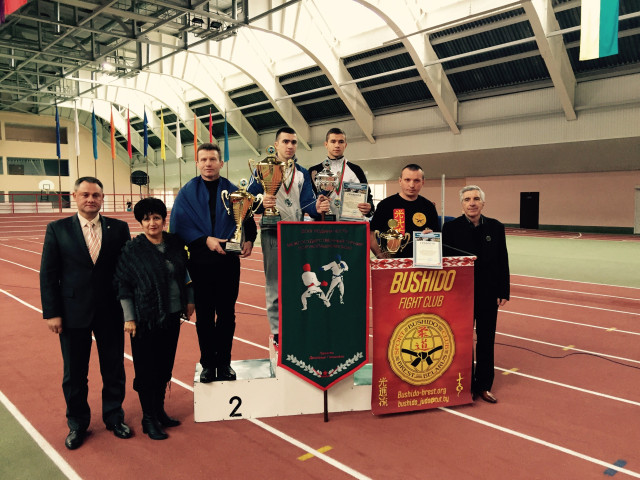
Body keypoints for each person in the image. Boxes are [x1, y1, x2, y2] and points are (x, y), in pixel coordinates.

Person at [40, 176, 132, 450]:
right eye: (85, 195)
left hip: (110, 311)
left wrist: (128, 310)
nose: (91, 199)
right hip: (72, 312)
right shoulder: (57, 229)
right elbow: (48, 274)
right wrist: (52, 313)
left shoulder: (119, 228)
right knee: (75, 373)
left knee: (113, 369)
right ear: (75, 197)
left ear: (102, 198)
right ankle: (77, 423)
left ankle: (114, 417)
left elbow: (126, 271)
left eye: (96, 195)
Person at [170, 143, 256, 383]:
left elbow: (248, 220)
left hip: (228, 263)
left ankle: (225, 363)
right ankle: (208, 364)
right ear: (197, 163)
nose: (208, 163)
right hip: (200, 263)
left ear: (221, 163)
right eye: (204, 159)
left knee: (227, 315)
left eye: (212, 159)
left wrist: (250, 239)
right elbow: (179, 226)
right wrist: (204, 240)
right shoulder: (186, 193)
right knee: (205, 317)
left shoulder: (235, 191)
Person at [114, 198, 195, 440]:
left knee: (164, 366)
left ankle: (159, 411)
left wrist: (190, 301)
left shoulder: (174, 244)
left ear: (163, 220)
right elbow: (123, 285)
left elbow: (186, 274)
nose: (152, 223)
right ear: (140, 222)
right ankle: (148, 417)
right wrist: (129, 318)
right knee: (146, 369)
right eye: (147, 219)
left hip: (172, 316)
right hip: (144, 319)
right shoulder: (132, 250)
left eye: (156, 217)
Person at [248, 127, 329, 346]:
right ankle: (277, 331)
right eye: (285, 141)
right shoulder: (262, 169)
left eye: (293, 142)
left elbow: (307, 203)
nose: (290, 146)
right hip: (272, 231)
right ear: (276, 145)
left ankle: (295, 323)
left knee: (297, 281)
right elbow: (250, 200)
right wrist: (260, 202)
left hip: (296, 232)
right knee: (274, 283)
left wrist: (317, 208)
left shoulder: (301, 172)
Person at [442, 185, 510, 404]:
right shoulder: (450, 228)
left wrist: (503, 290)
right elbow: (442, 259)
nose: (472, 203)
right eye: (467, 199)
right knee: (462, 340)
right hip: (461, 294)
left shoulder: (496, 227)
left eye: (476, 199)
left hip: (488, 294)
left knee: (486, 340)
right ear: (461, 204)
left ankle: (484, 386)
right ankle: (465, 385)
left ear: (483, 203)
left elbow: (502, 259)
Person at [370, 164, 440, 258]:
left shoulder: (429, 206)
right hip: (393, 262)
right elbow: (370, 234)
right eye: (407, 180)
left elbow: (436, 236)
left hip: (421, 261)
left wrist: (431, 238)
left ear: (423, 182)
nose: (411, 185)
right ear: (400, 181)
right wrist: (381, 257)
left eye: (416, 180)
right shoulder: (385, 205)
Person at [308, 128, 374, 219]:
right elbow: (308, 202)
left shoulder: (356, 170)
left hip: (351, 224)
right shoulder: (314, 171)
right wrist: (316, 208)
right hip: (323, 224)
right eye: (333, 141)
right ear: (326, 144)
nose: (337, 145)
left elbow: (368, 198)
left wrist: (369, 207)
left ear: (345, 145)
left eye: (341, 142)